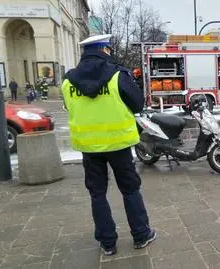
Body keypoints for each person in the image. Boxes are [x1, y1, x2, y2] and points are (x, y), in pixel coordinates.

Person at [61, 34, 156, 256]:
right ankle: (141, 235)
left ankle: (107, 243)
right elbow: (137, 103)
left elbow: (69, 107)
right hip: (118, 144)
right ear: (104, 50)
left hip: (89, 147)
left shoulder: (68, 81)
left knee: (97, 193)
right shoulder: (117, 76)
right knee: (130, 189)